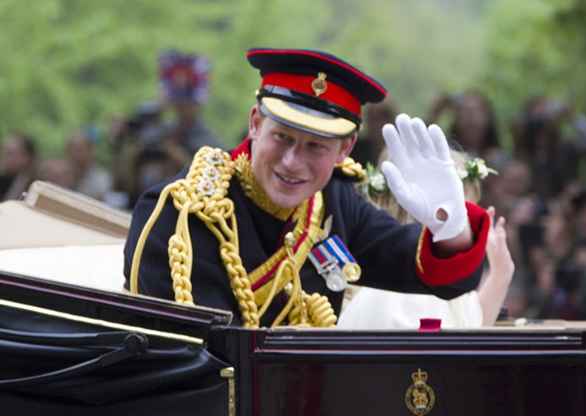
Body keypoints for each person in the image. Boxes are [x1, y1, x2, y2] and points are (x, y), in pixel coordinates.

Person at [124, 48, 490, 328]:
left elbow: (429, 273)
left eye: (315, 146)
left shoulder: (335, 201)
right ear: (255, 124)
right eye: (282, 137)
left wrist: (449, 225)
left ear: (344, 149)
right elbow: (188, 361)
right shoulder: (183, 216)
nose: (291, 162)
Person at [338, 152, 513, 329]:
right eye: (464, 210)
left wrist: (501, 273)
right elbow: (459, 348)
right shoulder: (411, 291)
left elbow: (471, 324)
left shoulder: (397, 277)